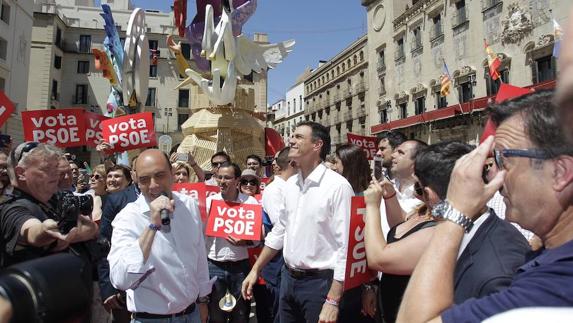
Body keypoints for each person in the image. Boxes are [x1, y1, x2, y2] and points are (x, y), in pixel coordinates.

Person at [398, 90, 573, 322]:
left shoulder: (552, 287)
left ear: (560, 173)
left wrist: (456, 212)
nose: (494, 176)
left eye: (503, 160)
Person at [242, 121, 354, 323]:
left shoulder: (338, 187)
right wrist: (255, 269)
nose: (291, 140)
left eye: (299, 137)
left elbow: (346, 247)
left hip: (320, 286)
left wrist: (333, 300)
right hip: (287, 280)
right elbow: (279, 231)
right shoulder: (291, 185)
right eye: (292, 136)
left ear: (317, 145)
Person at [412, 141, 530, 304]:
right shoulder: (474, 234)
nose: (415, 195)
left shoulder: (496, 277)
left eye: (417, 188)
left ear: (428, 195)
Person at [107, 149, 211, 322]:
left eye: (160, 175)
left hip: (192, 314)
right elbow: (120, 279)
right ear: (135, 180)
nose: (153, 185)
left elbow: (199, 255)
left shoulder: (189, 205)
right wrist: (152, 226)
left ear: (172, 173)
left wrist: (203, 299)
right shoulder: (127, 218)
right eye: (144, 180)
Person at [0, 142, 98, 267]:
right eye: (46, 169)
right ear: (21, 173)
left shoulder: (55, 199)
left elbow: (92, 228)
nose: (56, 174)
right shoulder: (12, 207)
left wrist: (77, 233)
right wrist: (46, 231)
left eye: (56, 168)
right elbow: (32, 232)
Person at [205, 162, 257, 323]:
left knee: (240, 315)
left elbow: (255, 240)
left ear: (237, 180)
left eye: (227, 178)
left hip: (240, 268)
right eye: (219, 177)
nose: (222, 181)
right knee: (216, 316)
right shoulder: (208, 202)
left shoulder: (250, 203)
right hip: (214, 266)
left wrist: (245, 241)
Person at [332, 144, 376, 323]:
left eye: (336, 162)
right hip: (333, 274)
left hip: (355, 279)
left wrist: (368, 286)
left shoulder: (368, 197)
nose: (333, 167)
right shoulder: (335, 191)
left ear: (348, 164)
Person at [98, 157, 140, 323]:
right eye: (141, 172)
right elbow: (104, 244)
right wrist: (107, 287)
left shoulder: (176, 201)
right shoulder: (116, 200)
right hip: (122, 287)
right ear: (134, 174)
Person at [260, 147, 297, 323]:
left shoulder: (292, 186)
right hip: (277, 265)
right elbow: (280, 227)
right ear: (292, 163)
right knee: (278, 314)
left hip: (287, 264)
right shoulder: (275, 190)